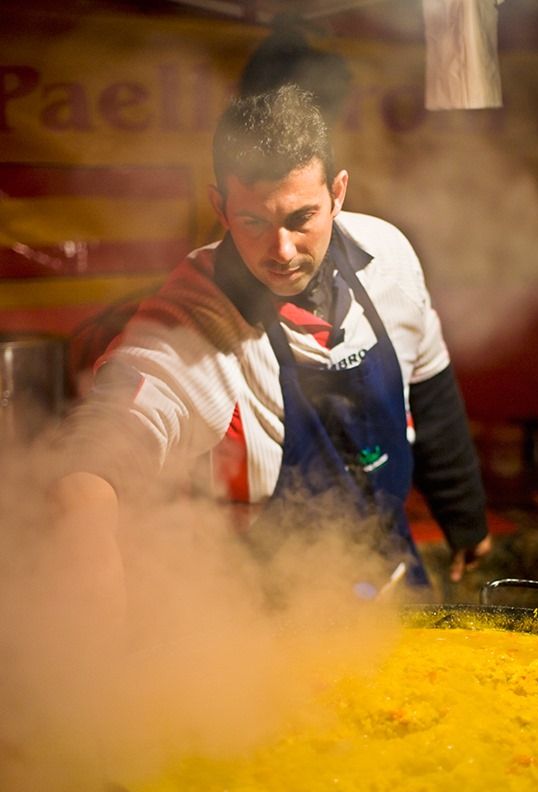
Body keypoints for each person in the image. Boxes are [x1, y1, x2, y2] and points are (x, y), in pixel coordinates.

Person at [54, 84, 490, 598]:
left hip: (391, 574)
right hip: (265, 617)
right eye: (253, 221)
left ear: (337, 194)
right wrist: (83, 514)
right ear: (220, 208)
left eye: (300, 218)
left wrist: (465, 518)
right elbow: (116, 428)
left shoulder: (389, 257)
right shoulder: (197, 316)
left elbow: (430, 385)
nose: (280, 251)